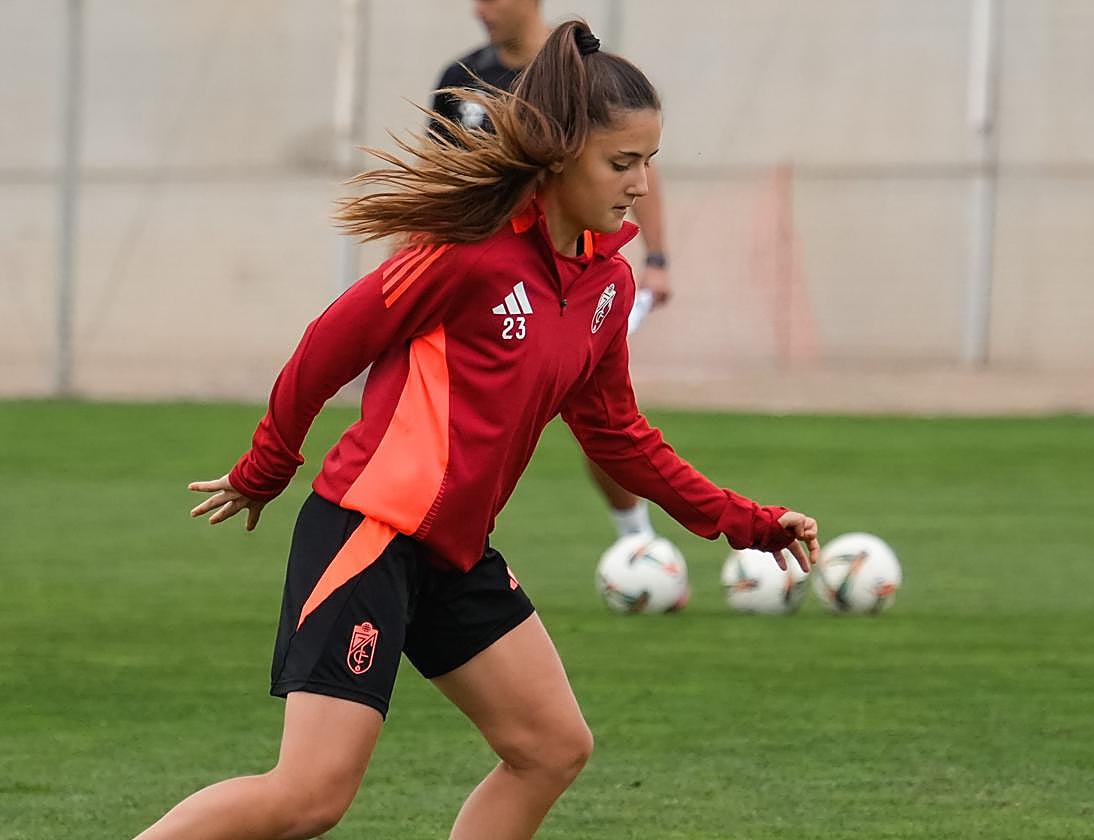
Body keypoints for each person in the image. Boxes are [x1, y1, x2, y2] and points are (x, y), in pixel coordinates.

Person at [135, 20, 819, 840]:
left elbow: (620, 437)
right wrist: (266, 464)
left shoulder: (605, 284)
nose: (641, 184)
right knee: (310, 796)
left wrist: (745, 521)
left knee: (552, 748)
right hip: (370, 534)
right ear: (562, 155)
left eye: (650, 162)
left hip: (453, 554)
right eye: (622, 162)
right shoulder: (467, 254)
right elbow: (328, 345)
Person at [432, 0, 670, 542]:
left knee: (602, 419)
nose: (479, 10)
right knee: (474, 414)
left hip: (570, 280)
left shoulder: (584, 78)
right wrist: (404, 270)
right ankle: (438, 539)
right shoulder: (460, 79)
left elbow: (636, 164)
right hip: (481, 281)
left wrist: (656, 259)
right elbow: (435, 184)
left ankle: (637, 541)